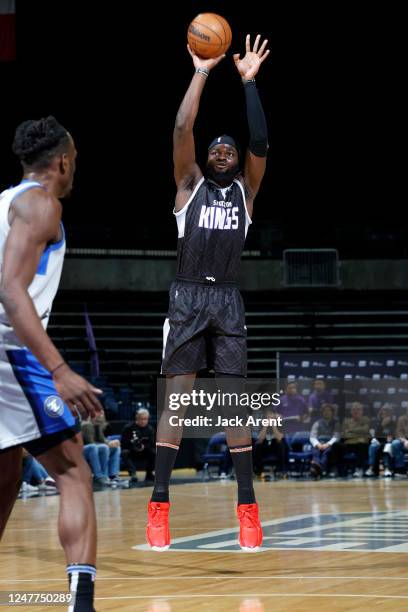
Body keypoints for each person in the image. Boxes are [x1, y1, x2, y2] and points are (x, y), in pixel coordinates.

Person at [146, 34, 270, 552]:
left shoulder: (246, 189)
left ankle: (247, 508)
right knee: (176, 402)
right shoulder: (188, 185)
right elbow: (181, 127)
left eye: (228, 149)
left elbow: (260, 141)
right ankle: (158, 504)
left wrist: (248, 82)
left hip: (228, 300)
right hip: (189, 295)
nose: (221, 151)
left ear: (236, 161)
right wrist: (202, 70)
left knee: (234, 402)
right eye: (214, 147)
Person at [0, 116, 103, 611]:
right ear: (63, 160)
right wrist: (59, 371)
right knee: (73, 471)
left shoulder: (3, 202)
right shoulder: (42, 204)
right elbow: (11, 290)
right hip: (10, 353)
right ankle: (81, 603)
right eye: (75, 157)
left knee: (6, 475)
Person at [81, 410, 122, 486]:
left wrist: (111, 443)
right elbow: (90, 442)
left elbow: (102, 440)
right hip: (81, 451)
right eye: (98, 413)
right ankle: (99, 476)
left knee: (116, 448)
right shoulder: (86, 425)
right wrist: (108, 444)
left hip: (94, 449)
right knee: (102, 447)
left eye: (101, 414)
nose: (100, 416)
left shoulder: (97, 426)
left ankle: (113, 475)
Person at [121, 408, 155, 482]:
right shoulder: (128, 428)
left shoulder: (150, 429)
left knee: (154, 452)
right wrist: (133, 446)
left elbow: (152, 443)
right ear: (137, 418)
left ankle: (149, 474)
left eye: (145, 419)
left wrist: (144, 447)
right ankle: (133, 473)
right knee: (124, 452)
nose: (143, 421)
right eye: (141, 419)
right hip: (131, 451)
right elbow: (123, 443)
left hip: (144, 451)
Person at [309, 404, 340, 478]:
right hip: (319, 442)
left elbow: (336, 436)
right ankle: (317, 466)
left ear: (332, 412)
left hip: (329, 443)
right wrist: (318, 444)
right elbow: (312, 436)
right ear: (322, 412)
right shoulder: (317, 423)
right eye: (325, 411)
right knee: (315, 451)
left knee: (326, 452)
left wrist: (328, 444)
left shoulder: (336, 423)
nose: (327, 412)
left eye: (328, 410)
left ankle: (317, 467)